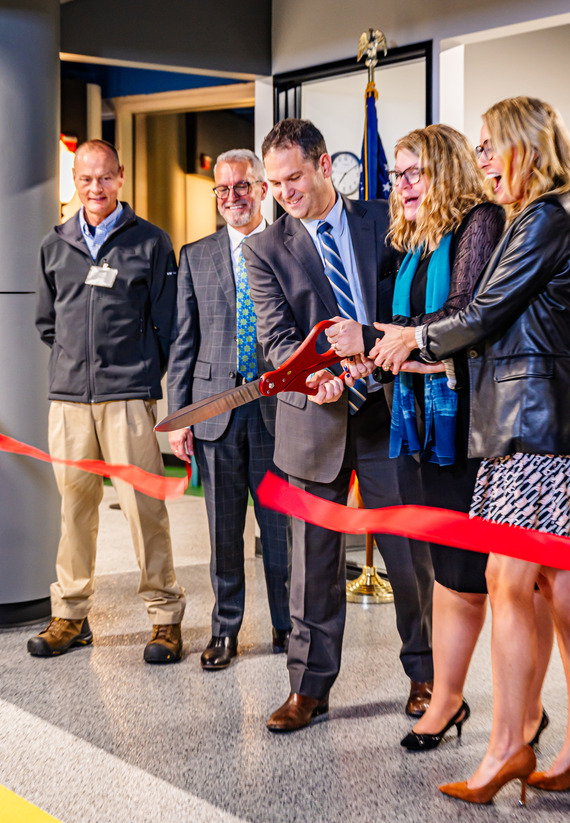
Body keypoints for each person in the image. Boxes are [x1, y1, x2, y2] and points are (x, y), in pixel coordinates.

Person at [328, 124, 554, 754]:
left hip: (469, 424)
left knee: (504, 578)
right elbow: (404, 334)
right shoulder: (410, 240)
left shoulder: (477, 223)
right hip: (415, 422)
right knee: (448, 574)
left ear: (447, 172)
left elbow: (460, 326)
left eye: (413, 173)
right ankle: (448, 701)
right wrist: (358, 356)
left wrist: (371, 339)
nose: (400, 185)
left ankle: (525, 714)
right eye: (396, 173)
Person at [373, 97, 570, 804]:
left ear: (523, 147)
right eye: (478, 149)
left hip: (535, 427)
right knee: (544, 586)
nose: (484, 159)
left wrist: (411, 339)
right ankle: (524, 740)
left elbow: (482, 315)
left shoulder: (543, 217)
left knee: (514, 584)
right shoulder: (534, 218)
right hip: (528, 422)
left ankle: (506, 745)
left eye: (491, 148)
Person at [244, 118, 434, 732]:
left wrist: (380, 349)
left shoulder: (386, 221)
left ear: (325, 165)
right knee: (313, 563)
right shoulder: (265, 248)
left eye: (293, 177)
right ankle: (308, 688)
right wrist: (309, 377)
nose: (283, 193)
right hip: (313, 418)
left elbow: (411, 307)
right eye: (275, 183)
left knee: (408, 555)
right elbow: (276, 338)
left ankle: (427, 675)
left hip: (387, 412)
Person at [29, 139, 186, 663]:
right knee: (74, 511)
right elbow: (48, 324)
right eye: (85, 179)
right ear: (75, 180)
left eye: (104, 178)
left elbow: (169, 324)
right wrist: (79, 369)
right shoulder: (55, 245)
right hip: (69, 401)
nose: (94, 188)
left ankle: (165, 618)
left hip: (128, 397)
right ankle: (70, 615)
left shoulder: (150, 242)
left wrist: (142, 374)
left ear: (121, 177)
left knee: (145, 510)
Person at [167, 149, 291, 670]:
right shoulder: (196, 255)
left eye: (242, 187)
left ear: (263, 189)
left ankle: (289, 628)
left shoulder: (290, 246)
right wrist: (180, 416)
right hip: (216, 411)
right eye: (223, 190)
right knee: (222, 531)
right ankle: (225, 631)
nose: (232, 198)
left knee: (280, 528)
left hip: (275, 409)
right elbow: (183, 342)